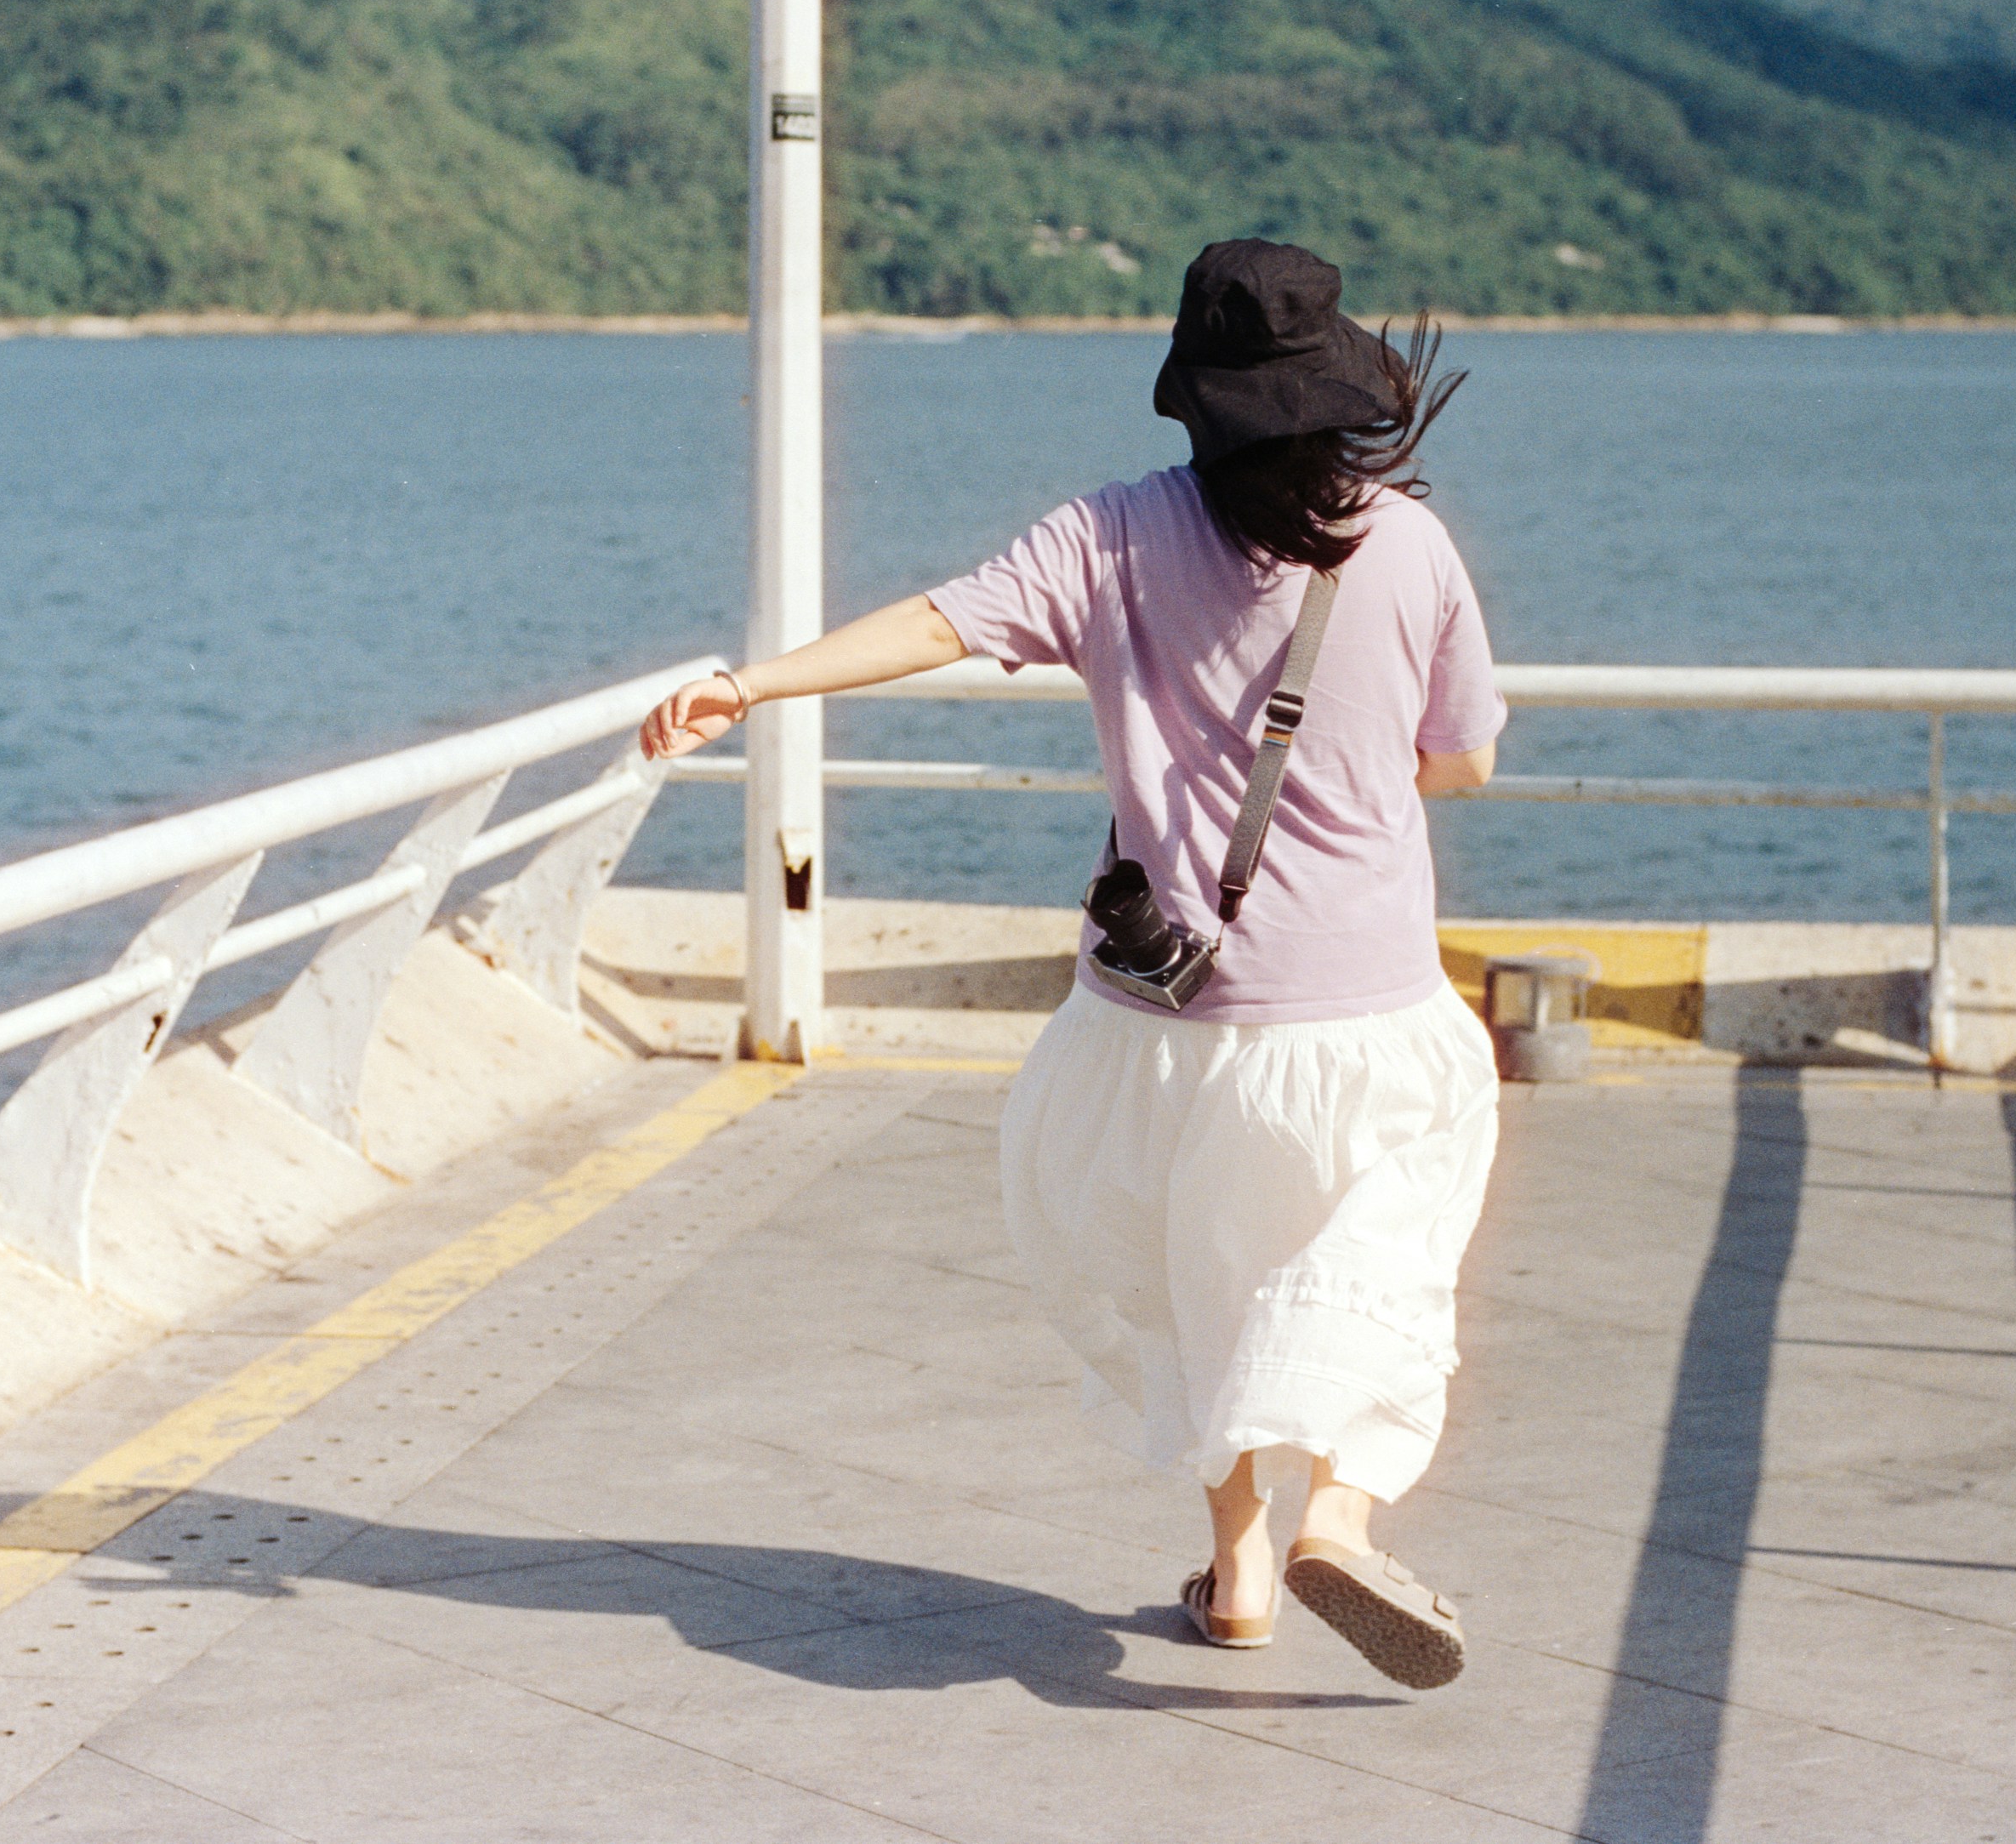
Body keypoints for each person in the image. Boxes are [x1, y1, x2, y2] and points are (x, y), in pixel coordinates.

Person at [638, 236, 1503, 1691]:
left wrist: (750, 682)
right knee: (1387, 1260)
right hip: (1366, 1011)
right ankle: (1337, 1519)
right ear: (1338, 389)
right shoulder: (1406, 543)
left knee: (1198, 1281)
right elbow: (1463, 755)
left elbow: (939, 620)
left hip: (1165, 1021)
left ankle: (1237, 1573)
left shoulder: (1109, 536)